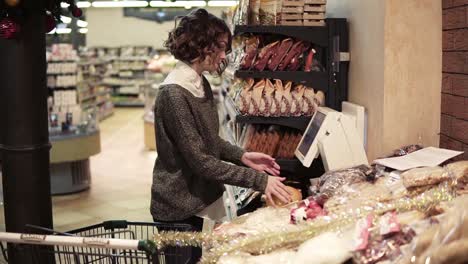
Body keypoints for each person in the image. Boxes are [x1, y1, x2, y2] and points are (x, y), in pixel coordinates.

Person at [150, 8, 292, 262]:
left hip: (201, 200)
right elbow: (200, 161)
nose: (226, 55)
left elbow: (208, 139)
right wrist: (259, 181)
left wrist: (243, 156)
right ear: (202, 45)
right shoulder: (174, 94)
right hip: (180, 209)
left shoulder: (199, 81)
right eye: (222, 47)